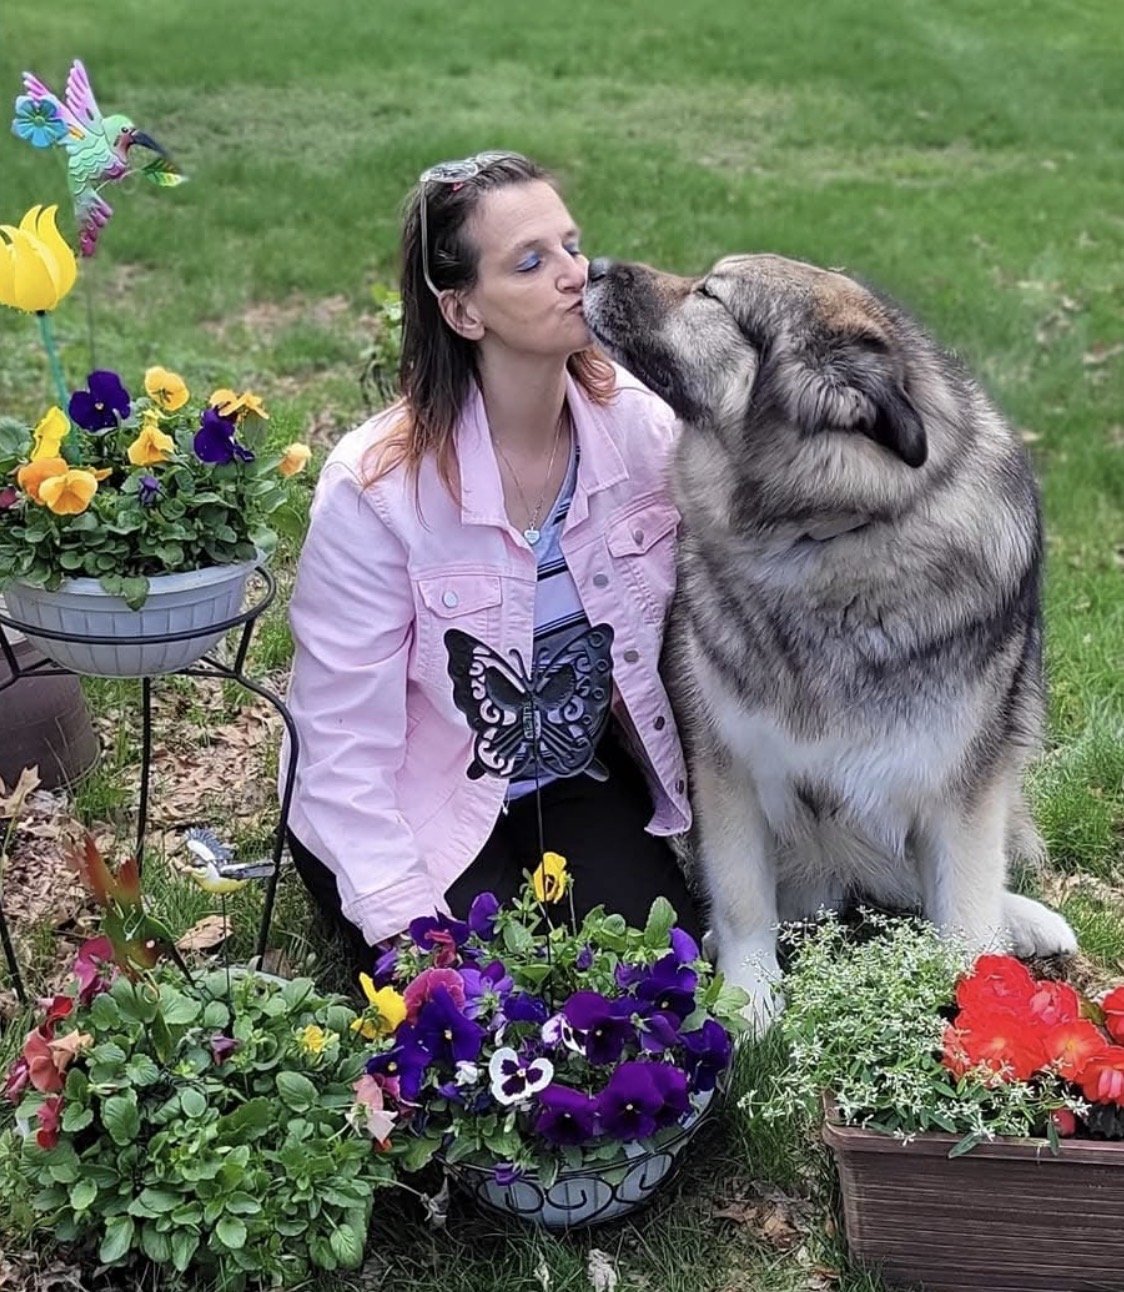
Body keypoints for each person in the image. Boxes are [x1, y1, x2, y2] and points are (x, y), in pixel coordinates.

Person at [280, 150, 699, 972]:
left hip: (568, 775)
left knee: (666, 987)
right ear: (464, 311)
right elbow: (339, 747)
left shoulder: (642, 430)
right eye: (532, 263)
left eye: (572, 246)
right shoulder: (376, 491)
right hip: (415, 803)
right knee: (488, 1030)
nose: (576, 274)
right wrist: (405, 925)